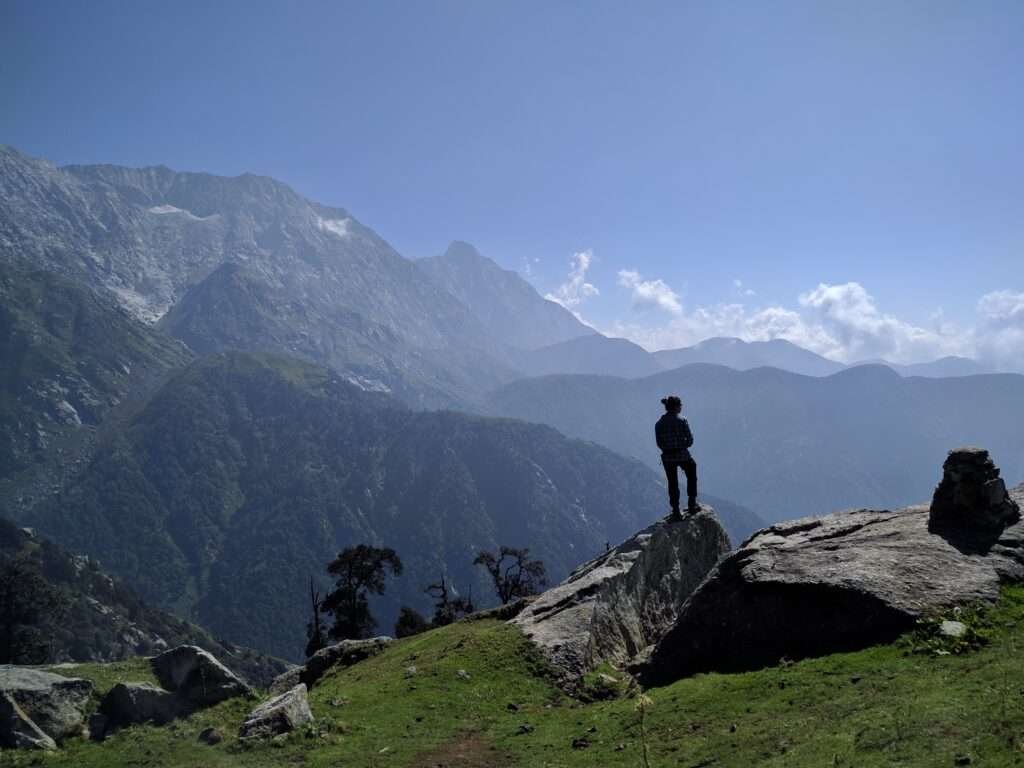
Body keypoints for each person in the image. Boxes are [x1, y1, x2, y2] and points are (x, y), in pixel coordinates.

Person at [655, 395, 698, 520]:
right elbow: (690, 441)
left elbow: (659, 443)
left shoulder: (659, 424)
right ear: (676, 407)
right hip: (683, 455)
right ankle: (692, 504)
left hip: (667, 457)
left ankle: (676, 510)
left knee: (672, 482)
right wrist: (682, 445)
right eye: (680, 405)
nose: (681, 407)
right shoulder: (682, 420)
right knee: (691, 472)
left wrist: (668, 448)